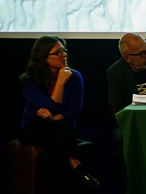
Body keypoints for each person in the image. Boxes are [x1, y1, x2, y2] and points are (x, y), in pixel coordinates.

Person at [18, 35, 100, 189]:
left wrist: (54, 117)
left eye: (64, 51)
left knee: (60, 128)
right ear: (43, 57)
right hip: (34, 128)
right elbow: (52, 108)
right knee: (59, 129)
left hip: (62, 127)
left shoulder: (75, 77)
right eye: (58, 52)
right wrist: (61, 82)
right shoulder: (30, 80)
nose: (64, 55)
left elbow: (75, 111)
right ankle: (76, 164)